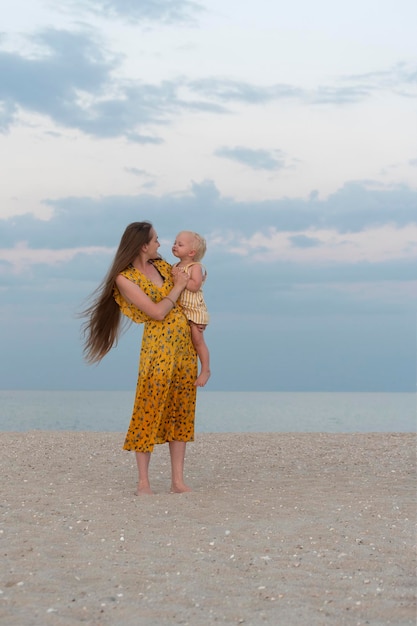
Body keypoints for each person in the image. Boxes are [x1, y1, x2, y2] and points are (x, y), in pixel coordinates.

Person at [81, 221, 197, 495]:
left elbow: (190, 286)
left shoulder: (162, 265)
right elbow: (157, 312)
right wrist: (178, 288)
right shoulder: (125, 278)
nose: (160, 243)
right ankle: (143, 481)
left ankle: (177, 481)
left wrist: (198, 322)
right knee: (148, 410)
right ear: (143, 245)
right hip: (157, 348)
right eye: (155, 239)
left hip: (183, 345)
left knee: (180, 411)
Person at [172, 231, 211, 387]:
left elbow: (195, 286)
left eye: (180, 244)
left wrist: (179, 280)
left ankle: (206, 369)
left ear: (192, 252)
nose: (175, 246)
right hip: (182, 310)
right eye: (175, 243)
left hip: (194, 309)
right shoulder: (174, 266)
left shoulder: (195, 267)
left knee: (197, 340)